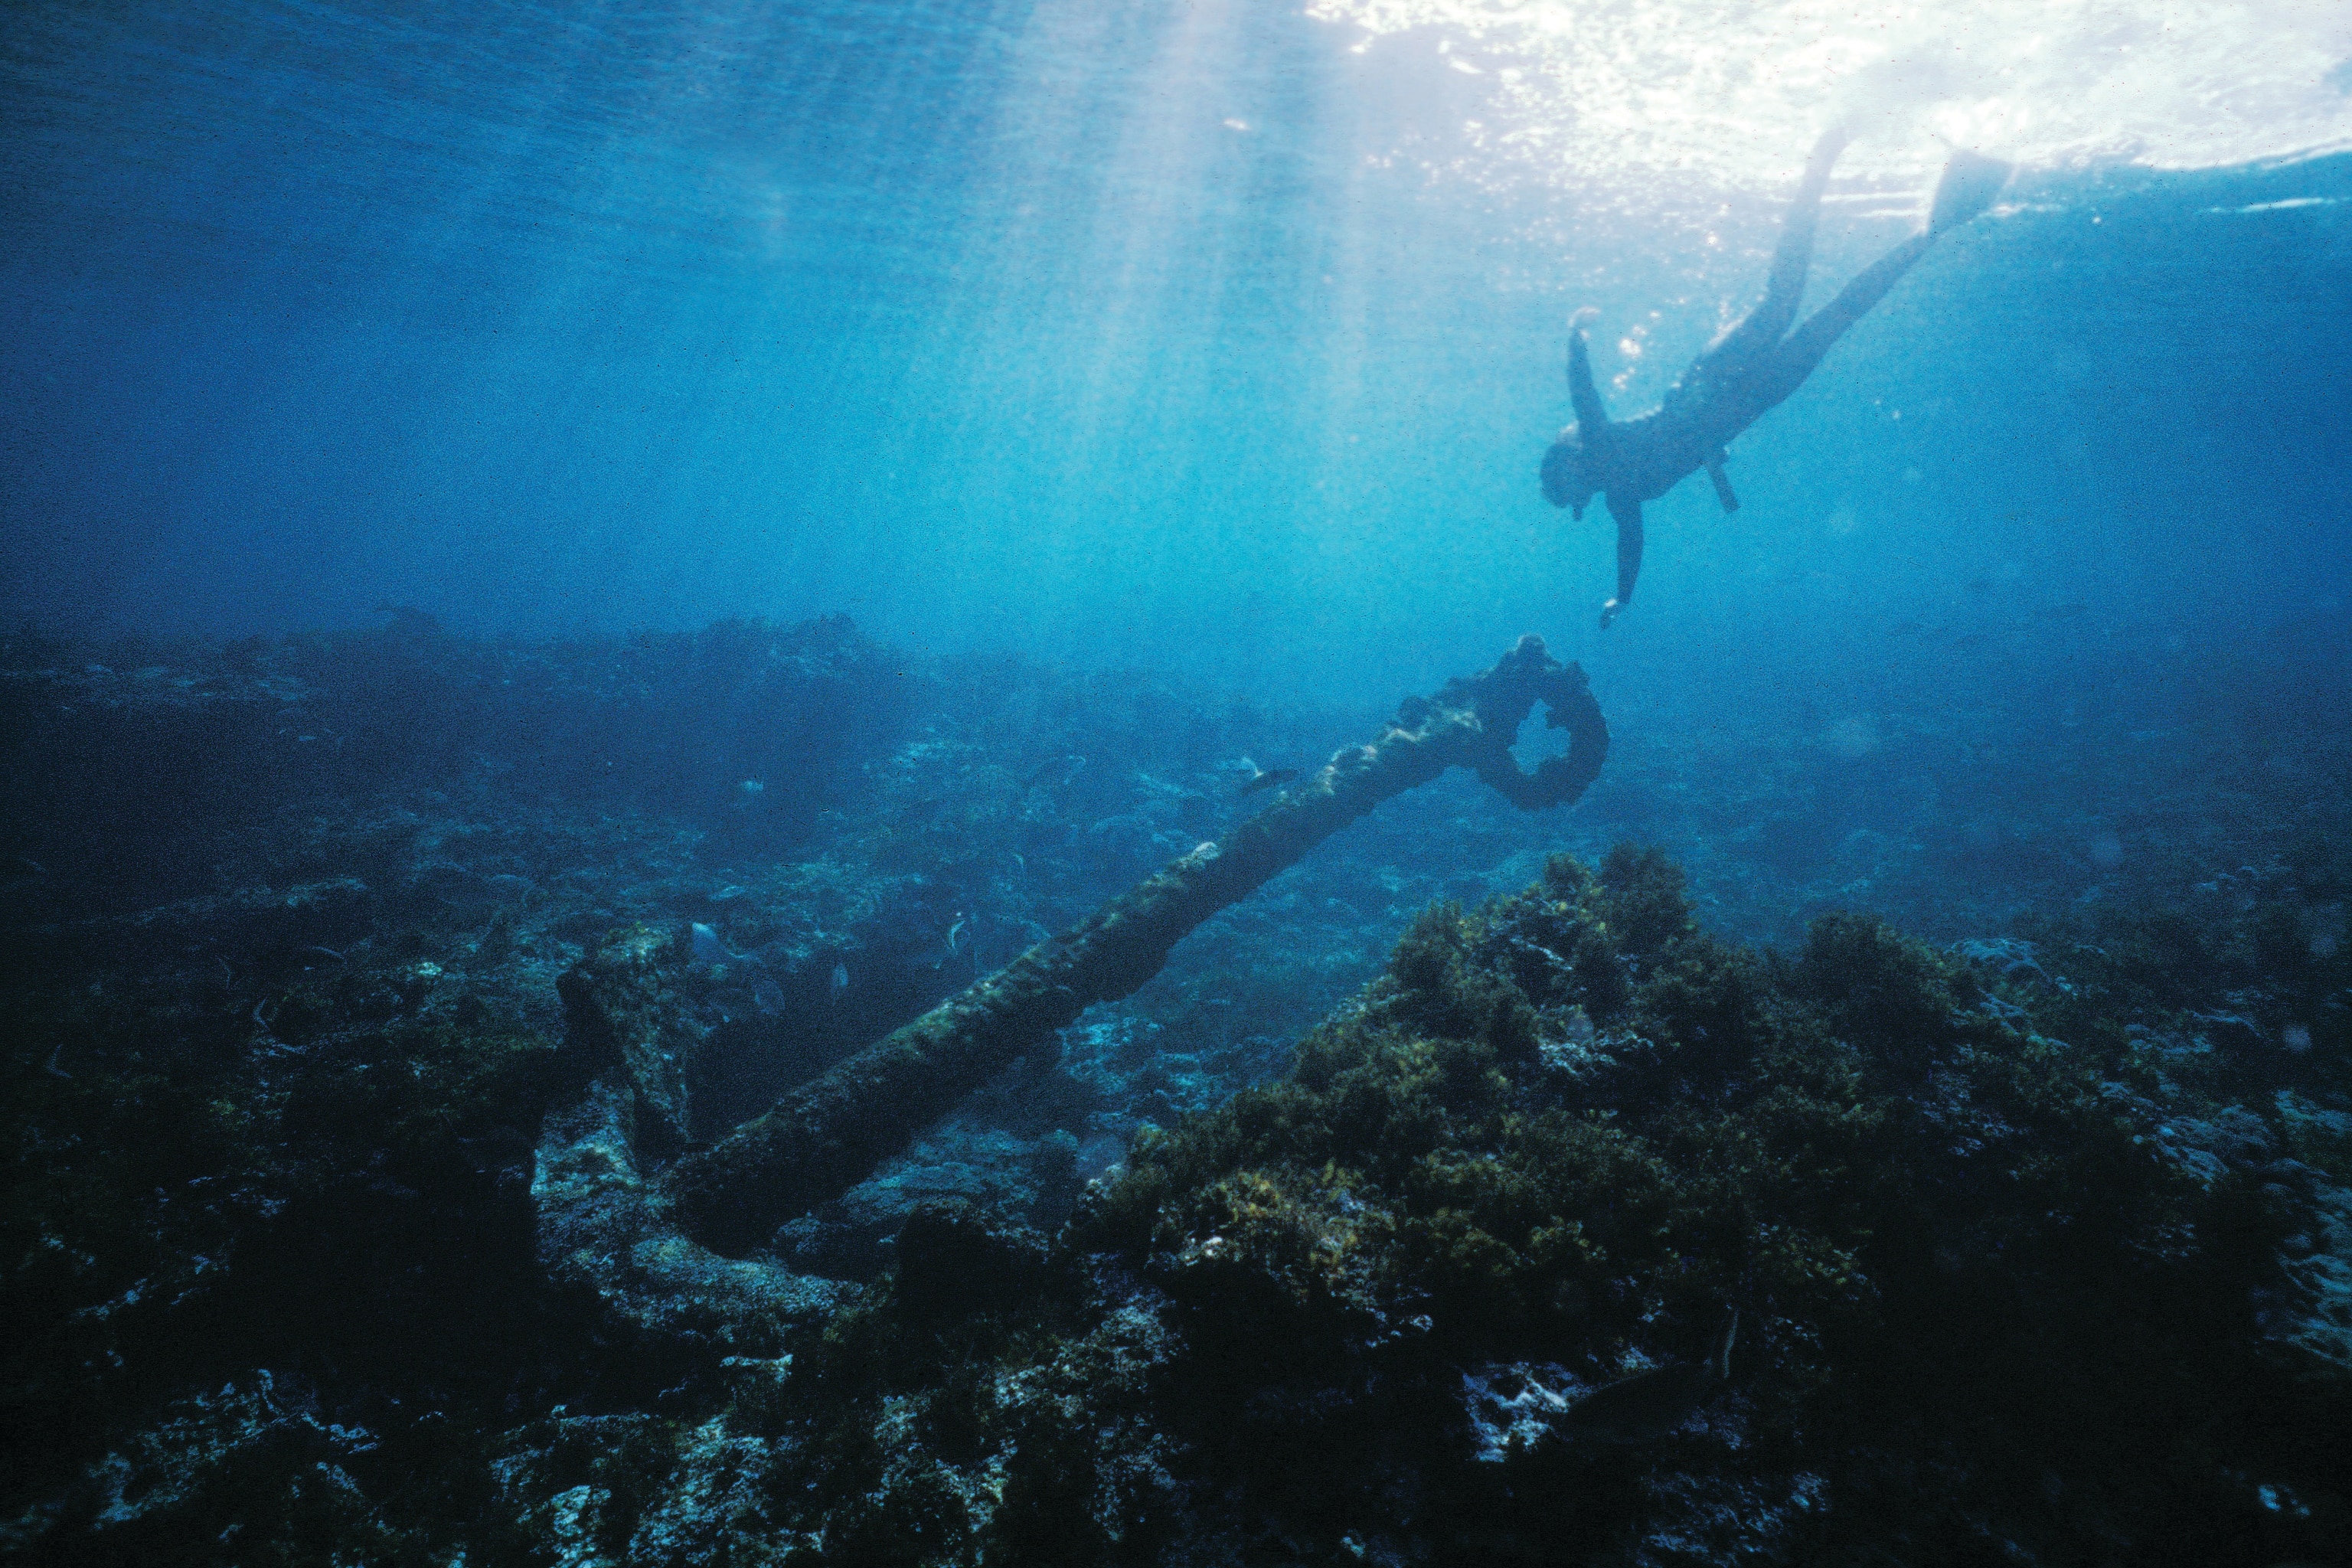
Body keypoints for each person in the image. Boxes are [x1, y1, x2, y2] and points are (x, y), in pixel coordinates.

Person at [1540, 130, 2011, 626]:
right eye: (1567, 493)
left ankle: (1823, 161)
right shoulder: (1620, 498)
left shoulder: (1601, 450)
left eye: (1564, 483)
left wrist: (1577, 336)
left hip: (1717, 380)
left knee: (1787, 299)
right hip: (1748, 403)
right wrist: (1623, 598)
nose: (1573, 489)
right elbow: (1630, 547)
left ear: (1569, 464)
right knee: (1836, 318)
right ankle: (1932, 229)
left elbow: (1584, 393)